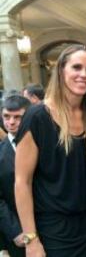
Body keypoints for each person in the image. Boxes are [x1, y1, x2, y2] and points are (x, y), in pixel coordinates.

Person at [14, 44, 86, 257]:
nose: (83, 74)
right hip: (53, 231)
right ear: (61, 70)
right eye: (77, 67)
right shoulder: (37, 117)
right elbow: (21, 182)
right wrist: (31, 239)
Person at [0, 95, 31, 257]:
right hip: (18, 234)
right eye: (6, 116)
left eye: (17, 117)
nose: (11, 122)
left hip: (53, 228)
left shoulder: (45, 145)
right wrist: (15, 230)